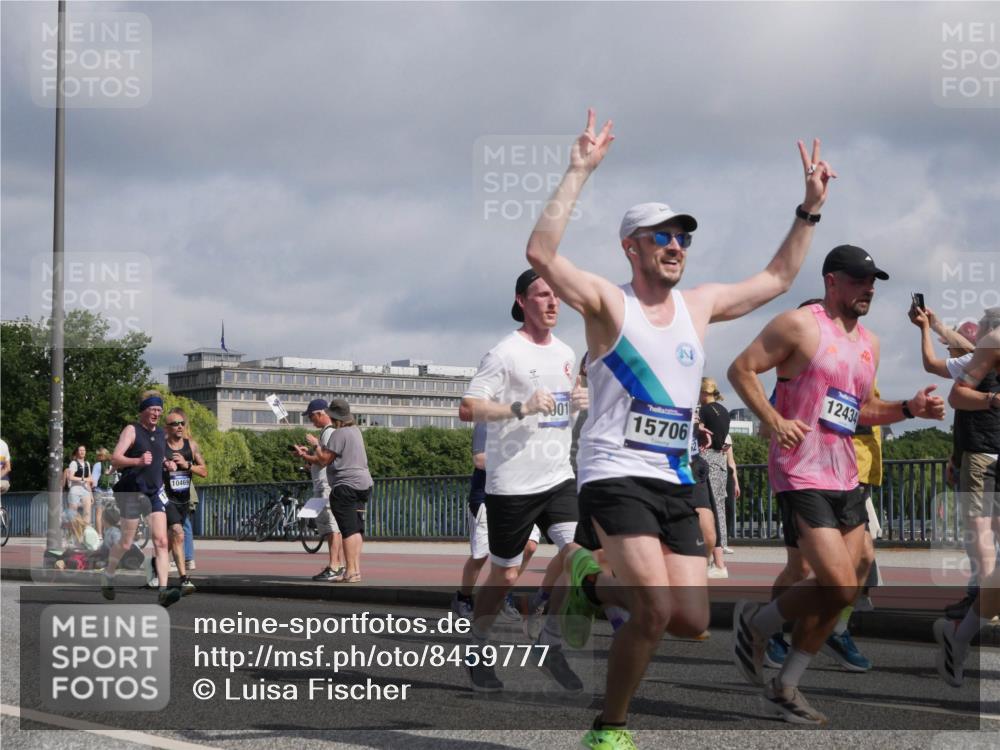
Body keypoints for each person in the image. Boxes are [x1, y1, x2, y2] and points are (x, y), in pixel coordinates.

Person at [527, 109, 835, 749]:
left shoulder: (700, 306)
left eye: (683, 239)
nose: (675, 246)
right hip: (616, 472)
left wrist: (808, 210)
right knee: (654, 609)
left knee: (692, 621)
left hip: (675, 476)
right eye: (660, 237)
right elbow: (540, 254)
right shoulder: (609, 303)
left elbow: (778, 279)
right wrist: (579, 170)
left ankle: (586, 574)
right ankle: (609, 730)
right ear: (631, 247)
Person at [728, 245, 945, 724]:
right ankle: (757, 624)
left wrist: (910, 409)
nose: (868, 288)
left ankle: (783, 686)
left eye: (872, 281)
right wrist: (773, 417)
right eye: (857, 279)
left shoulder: (870, 342)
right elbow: (740, 369)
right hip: (800, 470)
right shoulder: (799, 325)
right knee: (838, 581)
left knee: (844, 591)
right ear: (831, 281)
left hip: (844, 472)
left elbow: (861, 412)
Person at [459, 267, 588, 695]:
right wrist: (519, 407)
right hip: (512, 483)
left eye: (556, 296)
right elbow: (468, 408)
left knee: (578, 555)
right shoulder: (504, 353)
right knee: (506, 576)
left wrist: (579, 403)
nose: (553, 302)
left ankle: (549, 643)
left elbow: (558, 412)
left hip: (558, 476)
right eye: (542, 295)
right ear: (521, 301)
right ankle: (477, 645)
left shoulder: (568, 353)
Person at [911, 306, 998, 620]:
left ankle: (981, 602)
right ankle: (982, 600)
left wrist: (927, 327)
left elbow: (933, 363)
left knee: (979, 534)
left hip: (979, 454)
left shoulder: (976, 358)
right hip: (975, 453)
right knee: (985, 535)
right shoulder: (981, 354)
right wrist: (933, 324)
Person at [934, 310, 1000, 686]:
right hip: (985, 461)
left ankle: (957, 640)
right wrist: (993, 400)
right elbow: (957, 395)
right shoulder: (992, 346)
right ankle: (958, 640)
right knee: (991, 570)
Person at [451, 421, 542, 624]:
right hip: (486, 496)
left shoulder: (526, 423)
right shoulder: (487, 422)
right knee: (481, 555)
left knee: (529, 546)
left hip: (519, 497)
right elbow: (479, 460)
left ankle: (502, 594)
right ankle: (463, 598)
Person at [101, 390, 183, 608]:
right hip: (132, 491)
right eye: (153, 409)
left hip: (154, 492)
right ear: (143, 410)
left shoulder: (161, 436)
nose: (157, 413)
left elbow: (161, 457)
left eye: (159, 410)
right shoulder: (132, 430)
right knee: (127, 542)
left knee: (162, 541)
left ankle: (163, 591)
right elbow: (116, 459)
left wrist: (168, 464)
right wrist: (137, 460)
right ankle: (108, 574)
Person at [314, 398, 372, 583]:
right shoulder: (356, 431)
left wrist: (316, 445)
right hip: (364, 484)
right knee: (356, 529)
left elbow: (324, 459)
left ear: (335, 417)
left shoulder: (338, 434)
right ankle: (355, 570)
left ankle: (350, 572)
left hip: (344, 486)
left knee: (347, 530)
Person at [293, 399, 345, 582]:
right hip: (322, 484)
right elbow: (321, 461)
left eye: (311, 416)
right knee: (330, 527)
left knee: (331, 527)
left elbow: (323, 460)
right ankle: (336, 565)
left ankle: (334, 566)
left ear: (320, 413)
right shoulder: (327, 433)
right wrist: (306, 455)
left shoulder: (328, 433)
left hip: (325, 486)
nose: (311, 421)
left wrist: (313, 446)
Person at [162, 407, 207, 595]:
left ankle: (157, 563)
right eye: (175, 424)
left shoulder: (192, 446)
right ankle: (184, 579)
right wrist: (164, 465)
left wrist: (186, 465)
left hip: (183, 499)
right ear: (167, 428)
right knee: (178, 532)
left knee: (171, 541)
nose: (180, 427)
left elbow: (204, 471)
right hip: (165, 497)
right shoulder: (160, 446)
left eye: (182, 423)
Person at [698, 377, 731, 578]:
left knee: (706, 509)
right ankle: (718, 561)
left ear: (703, 392)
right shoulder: (724, 411)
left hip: (706, 458)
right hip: (721, 461)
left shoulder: (703, 411)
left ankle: (716, 563)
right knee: (718, 509)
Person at [64, 445, 94, 522]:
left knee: (87, 512)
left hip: (85, 489)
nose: (82, 452)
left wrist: (91, 495)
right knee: (72, 513)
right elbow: (71, 477)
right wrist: (83, 479)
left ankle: (86, 532)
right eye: (80, 450)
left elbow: (89, 480)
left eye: (84, 450)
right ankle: (72, 532)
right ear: (77, 452)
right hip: (75, 489)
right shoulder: (73, 463)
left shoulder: (87, 464)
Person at [92, 448, 118, 535]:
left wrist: (92, 490)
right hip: (109, 491)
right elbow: (116, 481)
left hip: (99, 491)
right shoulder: (112, 465)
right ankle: (107, 534)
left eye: (98, 455)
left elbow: (94, 481)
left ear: (100, 456)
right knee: (107, 515)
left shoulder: (97, 465)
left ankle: (99, 535)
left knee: (99, 514)